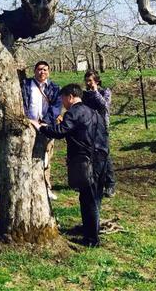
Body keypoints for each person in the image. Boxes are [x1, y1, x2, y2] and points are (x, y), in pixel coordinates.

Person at [37, 84, 108, 247]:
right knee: (95, 198)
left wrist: (42, 128)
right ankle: (91, 230)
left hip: (87, 161)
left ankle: (91, 239)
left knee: (88, 200)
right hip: (101, 159)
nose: (62, 103)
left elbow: (61, 131)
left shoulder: (74, 112)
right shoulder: (93, 112)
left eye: (63, 99)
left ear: (70, 97)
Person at [21, 60, 62, 199]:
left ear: (48, 72)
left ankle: (46, 187)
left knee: (46, 158)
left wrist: (45, 122)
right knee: (27, 156)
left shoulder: (54, 88)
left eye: (45, 69)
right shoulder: (26, 85)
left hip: (46, 126)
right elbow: (22, 102)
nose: (42, 72)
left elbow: (56, 107)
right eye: (39, 69)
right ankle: (27, 187)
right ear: (34, 71)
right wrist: (27, 119)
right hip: (29, 124)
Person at [82, 70, 115, 197]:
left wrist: (95, 92)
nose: (88, 83)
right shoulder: (85, 94)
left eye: (90, 80)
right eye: (86, 81)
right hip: (88, 127)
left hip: (101, 128)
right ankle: (91, 180)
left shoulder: (105, 91)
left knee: (105, 155)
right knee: (89, 155)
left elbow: (104, 105)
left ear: (97, 81)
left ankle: (110, 184)